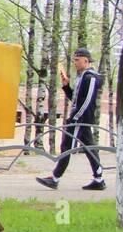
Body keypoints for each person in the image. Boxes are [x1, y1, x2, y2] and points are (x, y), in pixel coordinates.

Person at [37, 47, 105, 191]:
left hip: (80, 119)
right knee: (89, 148)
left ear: (86, 60)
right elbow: (75, 100)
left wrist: (75, 118)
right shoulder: (82, 77)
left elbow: (86, 101)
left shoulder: (90, 77)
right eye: (74, 60)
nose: (75, 63)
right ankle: (99, 179)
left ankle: (55, 178)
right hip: (80, 117)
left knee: (67, 147)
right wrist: (66, 86)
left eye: (77, 60)